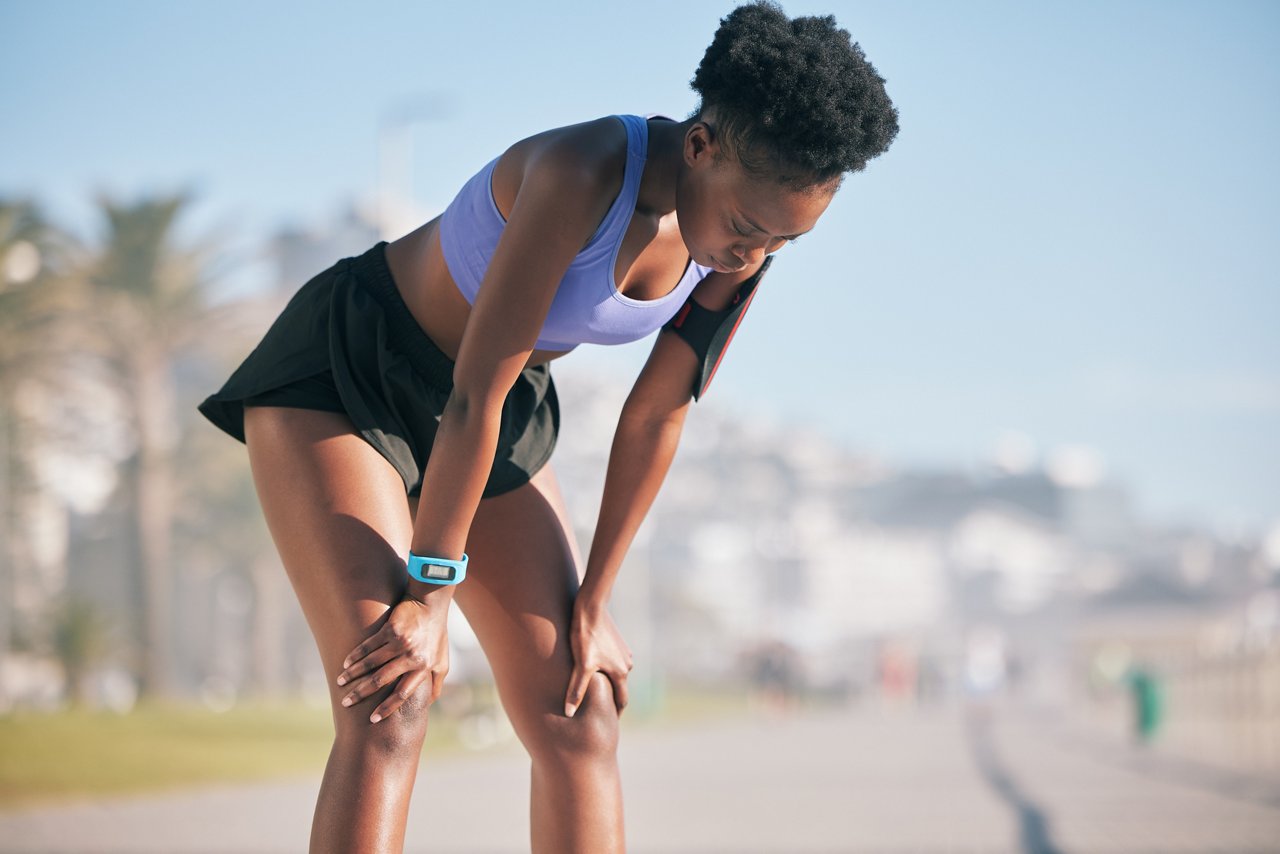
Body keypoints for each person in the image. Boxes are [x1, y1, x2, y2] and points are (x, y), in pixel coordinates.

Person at [198, 2, 898, 850]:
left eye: (785, 242)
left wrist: (594, 602)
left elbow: (657, 412)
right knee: (394, 695)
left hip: (497, 411)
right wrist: (429, 594)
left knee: (582, 710)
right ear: (701, 146)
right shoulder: (582, 170)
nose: (753, 257)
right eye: (749, 228)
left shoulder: (739, 249)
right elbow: (470, 399)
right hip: (354, 371)